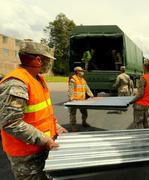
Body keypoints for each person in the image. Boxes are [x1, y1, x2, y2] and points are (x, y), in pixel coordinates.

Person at [0, 40, 67, 180]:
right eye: (48, 60)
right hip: (26, 155)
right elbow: (11, 123)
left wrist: (56, 127)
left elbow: (41, 114)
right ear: (38, 60)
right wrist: (45, 140)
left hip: (40, 148)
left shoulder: (37, 79)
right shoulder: (16, 83)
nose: (50, 64)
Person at [129, 59, 149, 129]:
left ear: (144, 67)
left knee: (138, 124)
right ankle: (147, 138)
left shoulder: (143, 78)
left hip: (139, 106)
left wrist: (131, 101)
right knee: (145, 123)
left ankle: (140, 139)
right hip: (147, 105)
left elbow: (140, 94)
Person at [68, 66, 94, 132]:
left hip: (82, 100)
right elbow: (71, 90)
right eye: (81, 71)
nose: (83, 72)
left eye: (83, 71)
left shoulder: (83, 80)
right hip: (75, 100)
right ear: (77, 72)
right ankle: (73, 126)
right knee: (73, 113)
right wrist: (71, 98)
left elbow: (87, 88)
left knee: (85, 112)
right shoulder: (73, 79)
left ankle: (84, 122)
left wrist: (91, 95)